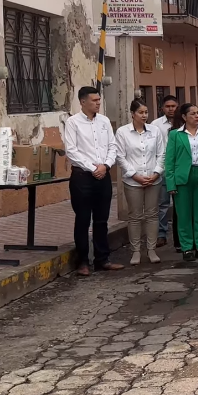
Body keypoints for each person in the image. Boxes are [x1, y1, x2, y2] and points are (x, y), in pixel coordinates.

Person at [64, 86, 123, 276]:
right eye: (94, 100)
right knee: (82, 220)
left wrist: (105, 166)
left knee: (101, 220)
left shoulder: (104, 121)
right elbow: (71, 150)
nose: (98, 103)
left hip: (102, 176)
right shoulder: (73, 123)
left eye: (99, 100)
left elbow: (112, 146)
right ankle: (82, 261)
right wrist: (92, 168)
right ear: (82, 102)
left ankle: (102, 259)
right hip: (82, 177)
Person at [115, 98, 165, 265]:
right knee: (135, 216)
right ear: (132, 114)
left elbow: (161, 154)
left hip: (153, 179)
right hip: (133, 181)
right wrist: (134, 175)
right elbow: (120, 156)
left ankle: (151, 249)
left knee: (152, 214)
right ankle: (135, 251)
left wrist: (157, 173)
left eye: (146, 112)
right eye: (141, 112)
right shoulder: (123, 132)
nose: (144, 115)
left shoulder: (155, 131)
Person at [165, 103, 198, 261]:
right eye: (192, 114)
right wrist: (170, 183)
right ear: (184, 117)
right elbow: (169, 160)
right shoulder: (175, 135)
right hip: (182, 176)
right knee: (183, 214)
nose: (197, 116)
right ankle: (186, 248)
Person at [152, 95, 179, 249]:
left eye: (173, 106)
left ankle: (181, 235)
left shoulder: (182, 123)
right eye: (167, 106)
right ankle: (161, 234)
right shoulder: (156, 125)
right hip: (163, 169)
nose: (170, 109)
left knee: (180, 205)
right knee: (162, 204)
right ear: (162, 108)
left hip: (179, 169)